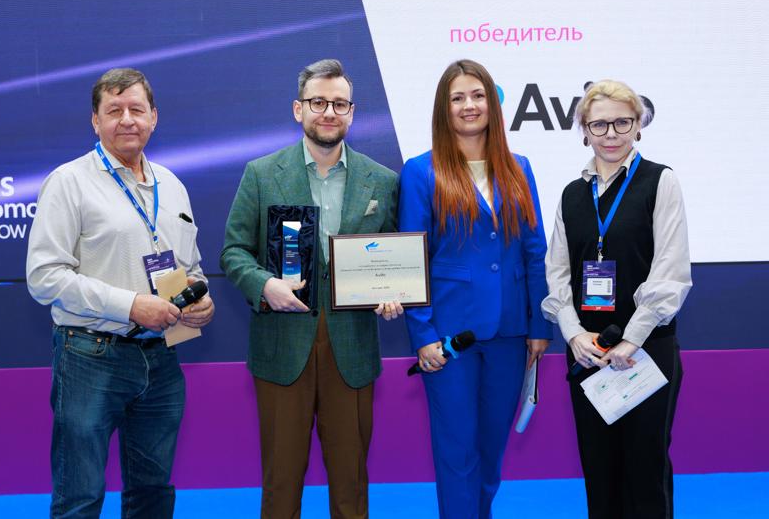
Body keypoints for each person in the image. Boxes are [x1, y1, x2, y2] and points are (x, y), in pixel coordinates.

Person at [26, 68, 215, 518]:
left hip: (162, 358)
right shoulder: (68, 182)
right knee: (80, 497)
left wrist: (199, 302)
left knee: (152, 493)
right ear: (96, 121)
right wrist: (130, 305)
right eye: (114, 110)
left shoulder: (172, 185)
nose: (127, 119)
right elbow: (44, 276)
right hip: (90, 356)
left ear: (154, 117)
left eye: (136, 109)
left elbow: (188, 267)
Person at [220, 58, 402, 519]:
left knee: (351, 486)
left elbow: (395, 259)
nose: (329, 112)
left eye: (340, 104)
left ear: (352, 113)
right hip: (282, 348)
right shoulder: (261, 174)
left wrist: (392, 292)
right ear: (298, 109)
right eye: (318, 102)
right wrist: (265, 284)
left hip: (351, 350)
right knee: (280, 485)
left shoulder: (382, 180)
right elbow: (234, 252)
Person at [398, 59, 552, 518]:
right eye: (458, 97)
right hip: (450, 338)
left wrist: (539, 325)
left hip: (510, 332)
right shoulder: (420, 171)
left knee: (491, 451)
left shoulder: (520, 167)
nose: (470, 105)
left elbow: (535, 250)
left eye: (478, 95)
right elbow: (412, 259)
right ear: (443, 108)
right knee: (457, 453)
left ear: (493, 103)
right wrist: (422, 334)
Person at [541, 79, 692, 519]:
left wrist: (632, 339)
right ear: (584, 130)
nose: (611, 134)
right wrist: (573, 335)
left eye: (622, 123)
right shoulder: (572, 194)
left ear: (638, 126)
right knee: (599, 471)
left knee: (646, 472)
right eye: (599, 125)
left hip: (646, 349)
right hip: (589, 352)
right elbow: (558, 271)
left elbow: (670, 269)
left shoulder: (660, 181)